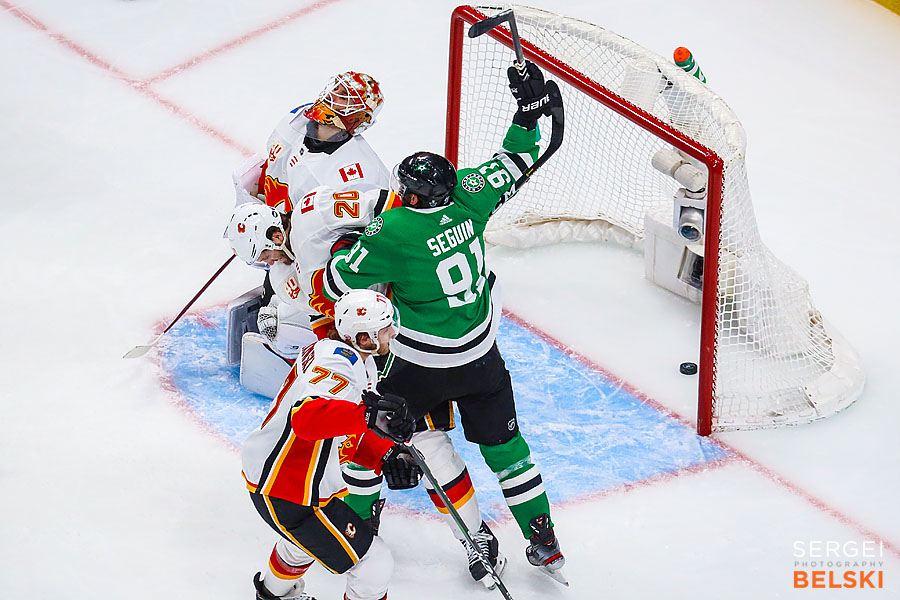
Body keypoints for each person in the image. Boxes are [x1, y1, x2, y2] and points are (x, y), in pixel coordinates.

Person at [307, 60, 567, 584]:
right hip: (481, 355)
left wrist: (345, 244)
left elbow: (338, 282)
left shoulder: (394, 228)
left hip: (420, 364)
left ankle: (357, 523)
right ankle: (543, 540)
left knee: (370, 442)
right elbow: (515, 158)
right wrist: (528, 111)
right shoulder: (471, 194)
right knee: (507, 450)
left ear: (411, 193)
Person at [241, 289, 421, 600]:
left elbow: (340, 428)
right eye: (385, 328)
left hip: (284, 480)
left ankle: (274, 596)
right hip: (287, 487)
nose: (393, 332)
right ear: (364, 338)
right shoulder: (339, 362)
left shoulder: (345, 356)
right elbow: (307, 419)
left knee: (302, 545)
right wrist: (368, 416)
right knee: (373, 564)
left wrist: (384, 454)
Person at [226, 71, 392, 384]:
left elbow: (365, 242)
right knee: (278, 293)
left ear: (360, 121)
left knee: (288, 318)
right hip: (288, 237)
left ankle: (345, 360)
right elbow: (274, 169)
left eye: (347, 107)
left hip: (323, 260)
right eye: (337, 98)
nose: (335, 110)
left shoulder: (360, 172)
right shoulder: (295, 120)